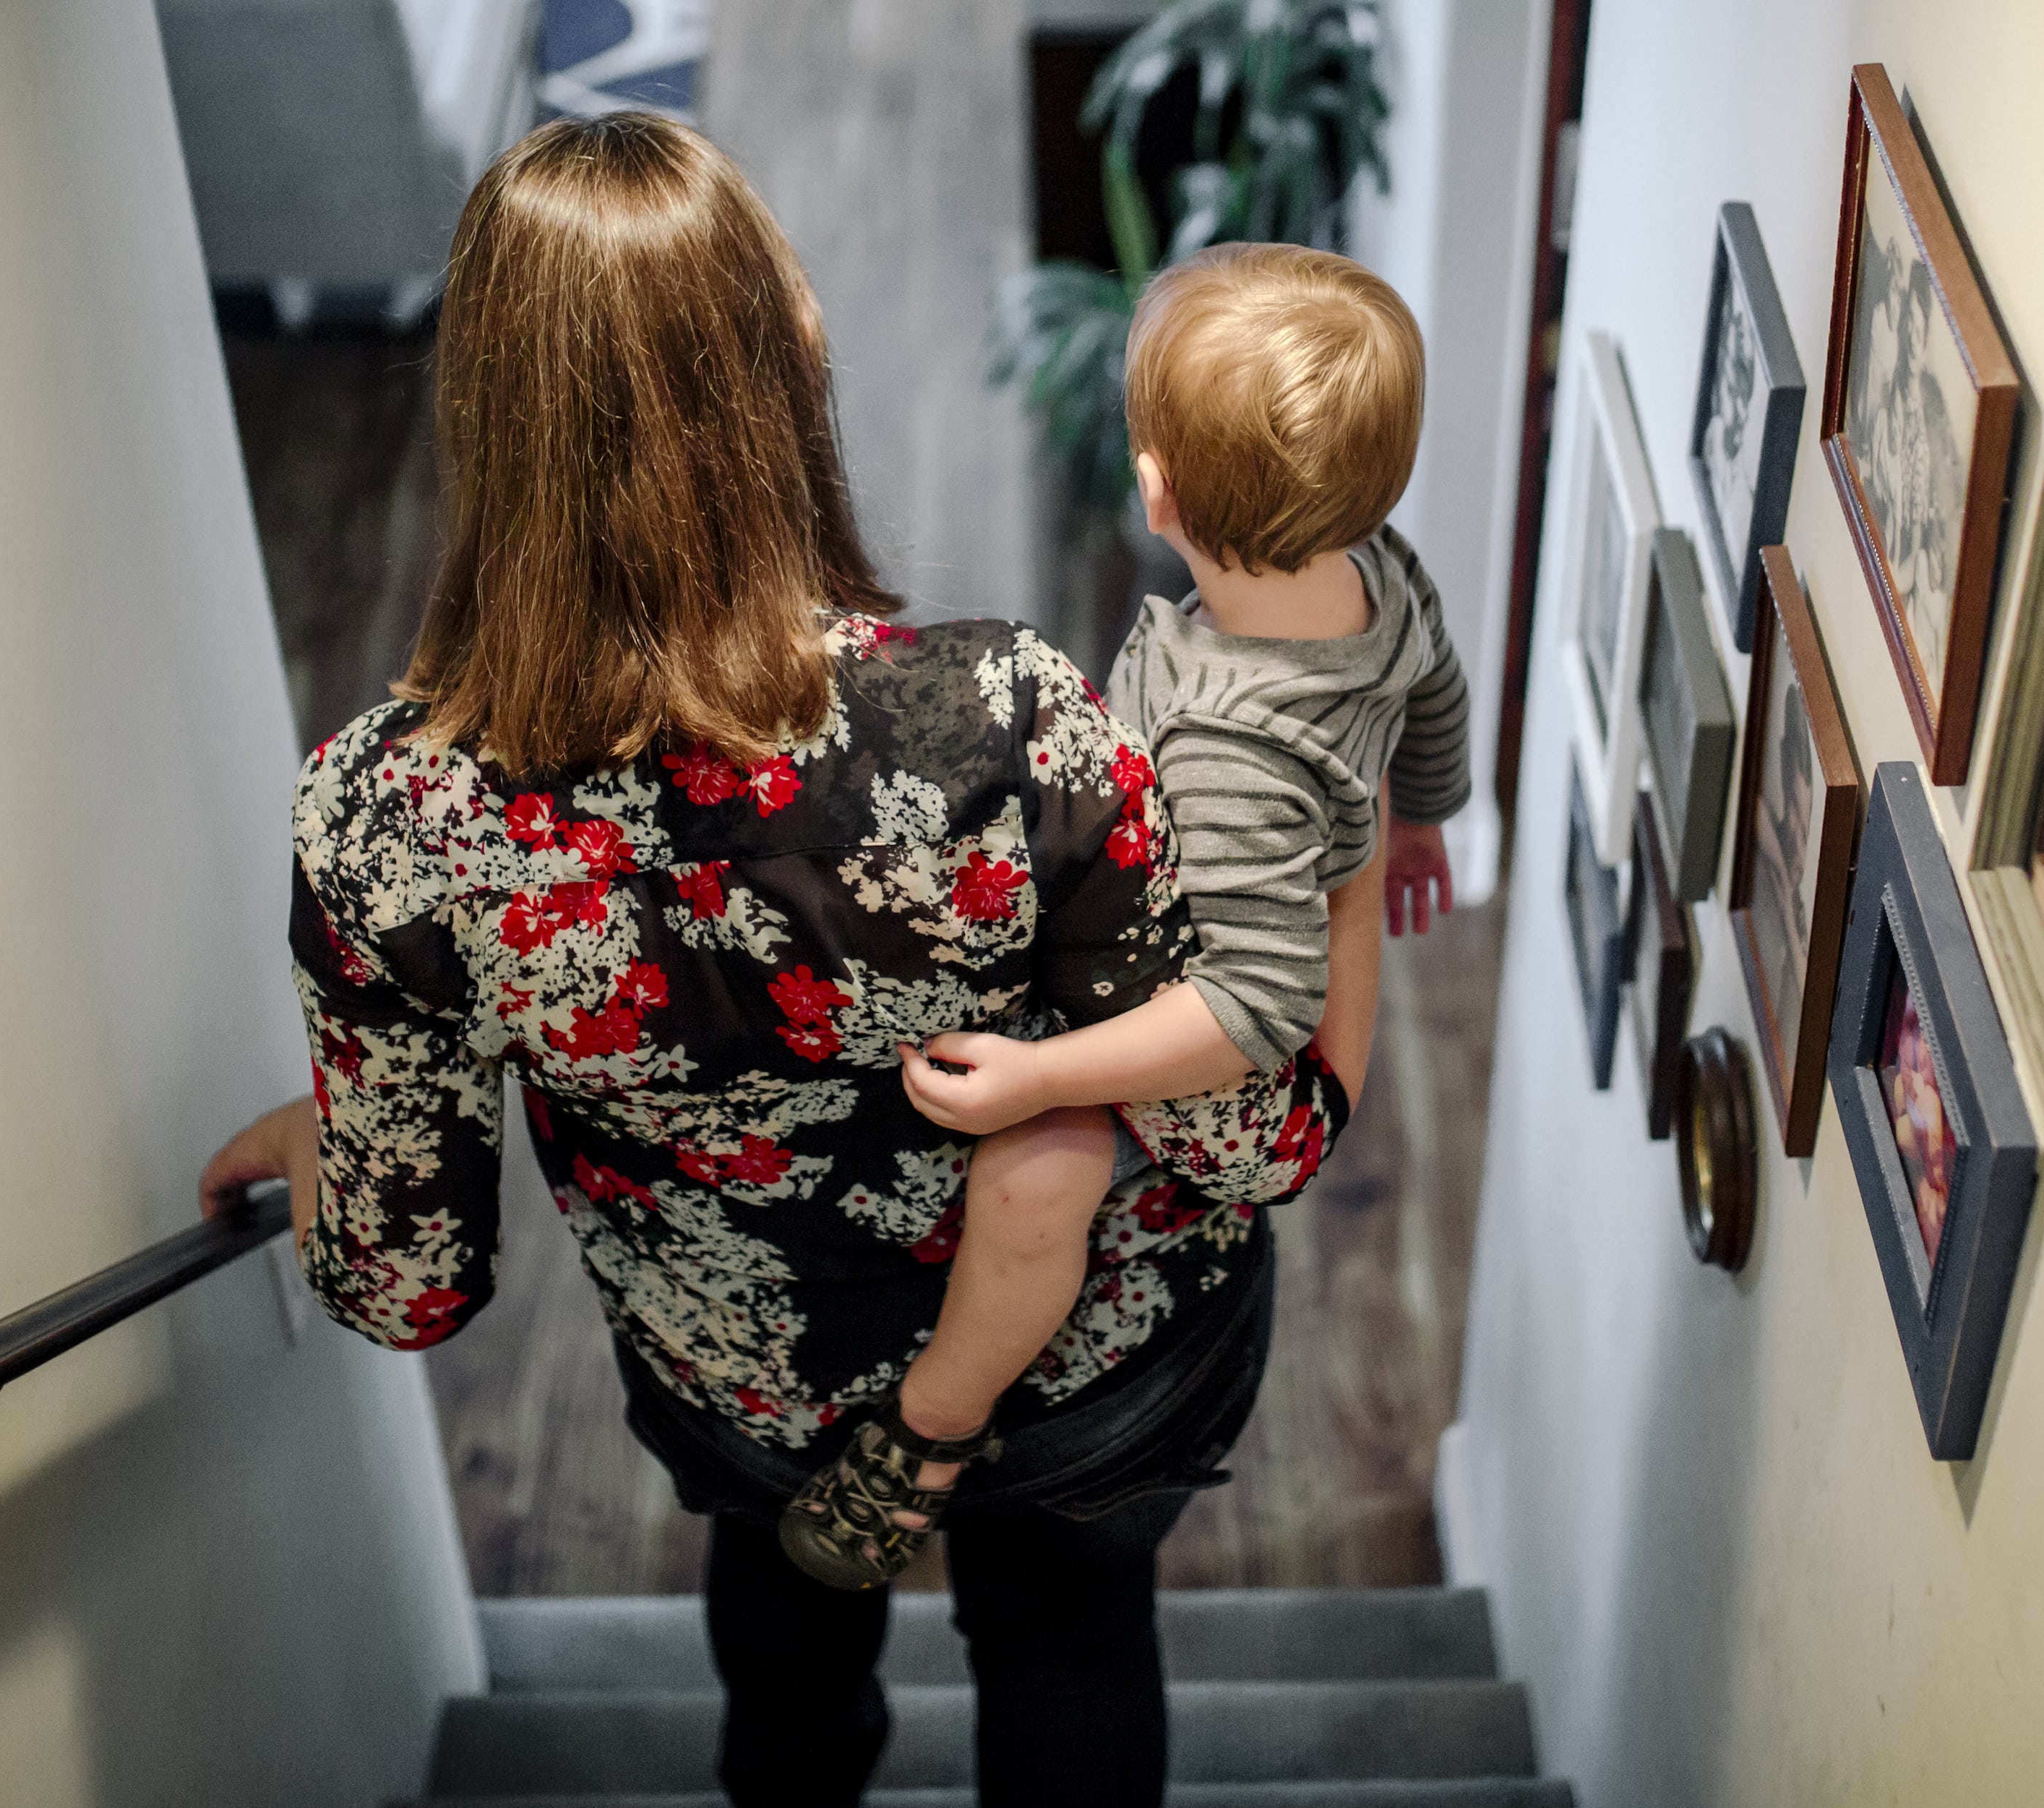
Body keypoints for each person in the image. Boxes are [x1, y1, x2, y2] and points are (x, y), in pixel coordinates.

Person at [194, 116, 1353, 1808]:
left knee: (788, 1656)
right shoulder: (1009, 721)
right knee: (1075, 1653)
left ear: (483, 416)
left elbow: (408, 1281)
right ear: (788, 355)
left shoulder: (386, 816)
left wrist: (335, 1131)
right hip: (1085, 1362)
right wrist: (1333, 864)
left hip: (748, 1378)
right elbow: (1240, 1138)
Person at [779, 244, 1472, 1590]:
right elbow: (1431, 689)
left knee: (1037, 1177)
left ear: (1155, 491)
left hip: (1248, 1088)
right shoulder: (1379, 567)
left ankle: (932, 1433)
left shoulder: (1231, 744)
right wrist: (1425, 812)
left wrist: (1045, 1072)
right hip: (1254, 954)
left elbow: (1253, 1007)